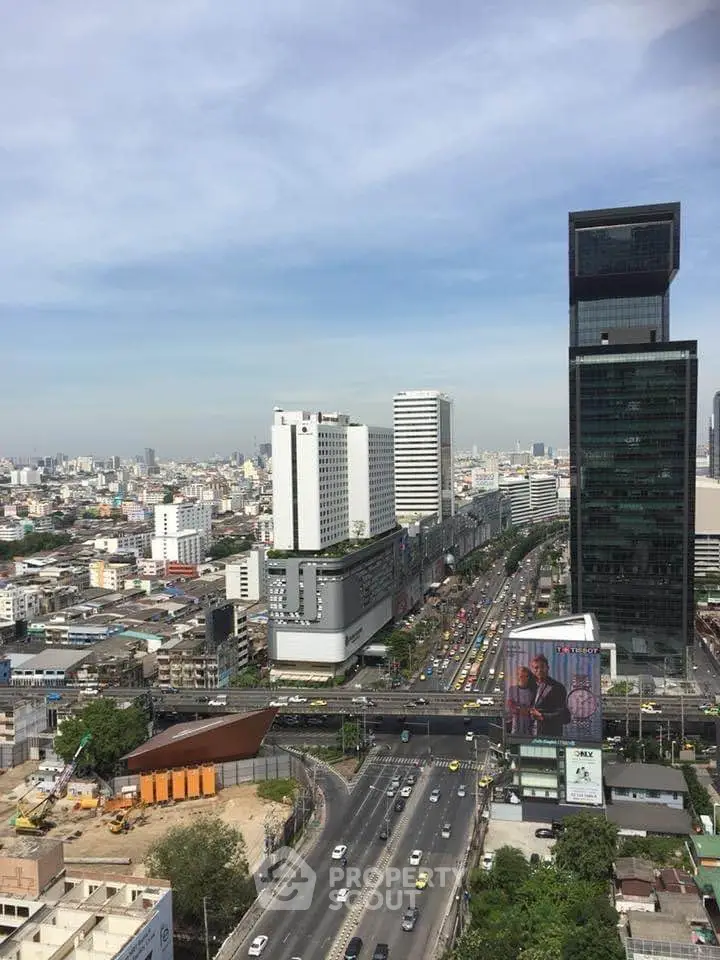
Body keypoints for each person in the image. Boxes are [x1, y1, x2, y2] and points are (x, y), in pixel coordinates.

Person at [529, 654, 570, 737]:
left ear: (547, 667)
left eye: (542, 667)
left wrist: (542, 716)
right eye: (536, 668)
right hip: (531, 736)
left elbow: (565, 716)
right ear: (532, 670)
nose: (539, 670)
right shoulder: (530, 686)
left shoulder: (557, 687)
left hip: (550, 737)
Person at [506, 665, 537, 736]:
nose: (523, 679)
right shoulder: (512, 689)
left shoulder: (532, 691)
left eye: (526, 676)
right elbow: (511, 706)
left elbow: (533, 708)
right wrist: (522, 709)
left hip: (528, 726)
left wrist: (523, 709)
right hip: (516, 724)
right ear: (518, 677)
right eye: (521, 676)